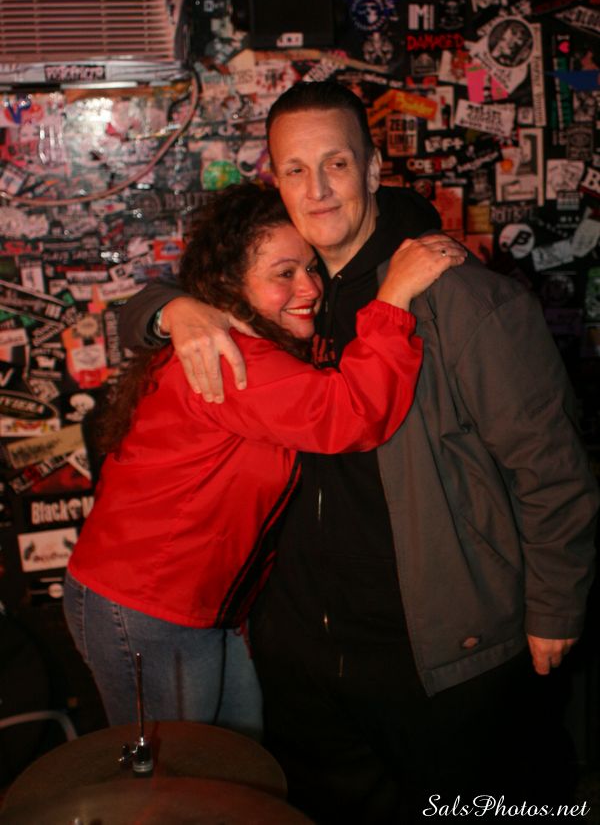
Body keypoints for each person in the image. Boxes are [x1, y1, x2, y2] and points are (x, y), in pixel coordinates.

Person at [119, 82, 598, 821]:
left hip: (438, 655)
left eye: (336, 164)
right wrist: (171, 309)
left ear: (373, 168)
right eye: (295, 170)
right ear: (276, 180)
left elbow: (552, 470)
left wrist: (556, 609)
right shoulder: (278, 296)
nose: (317, 190)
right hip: (300, 662)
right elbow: (150, 304)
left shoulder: (463, 299)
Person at [64, 181, 463, 741]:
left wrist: (171, 305)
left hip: (196, 608)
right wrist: (393, 298)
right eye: (284, 273)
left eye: (311, 268)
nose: (310, 287)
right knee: (180, 776)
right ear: (231, 285)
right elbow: (352, 414)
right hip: (146, 610)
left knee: (234, 763)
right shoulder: (232, 359)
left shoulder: (261, 343)